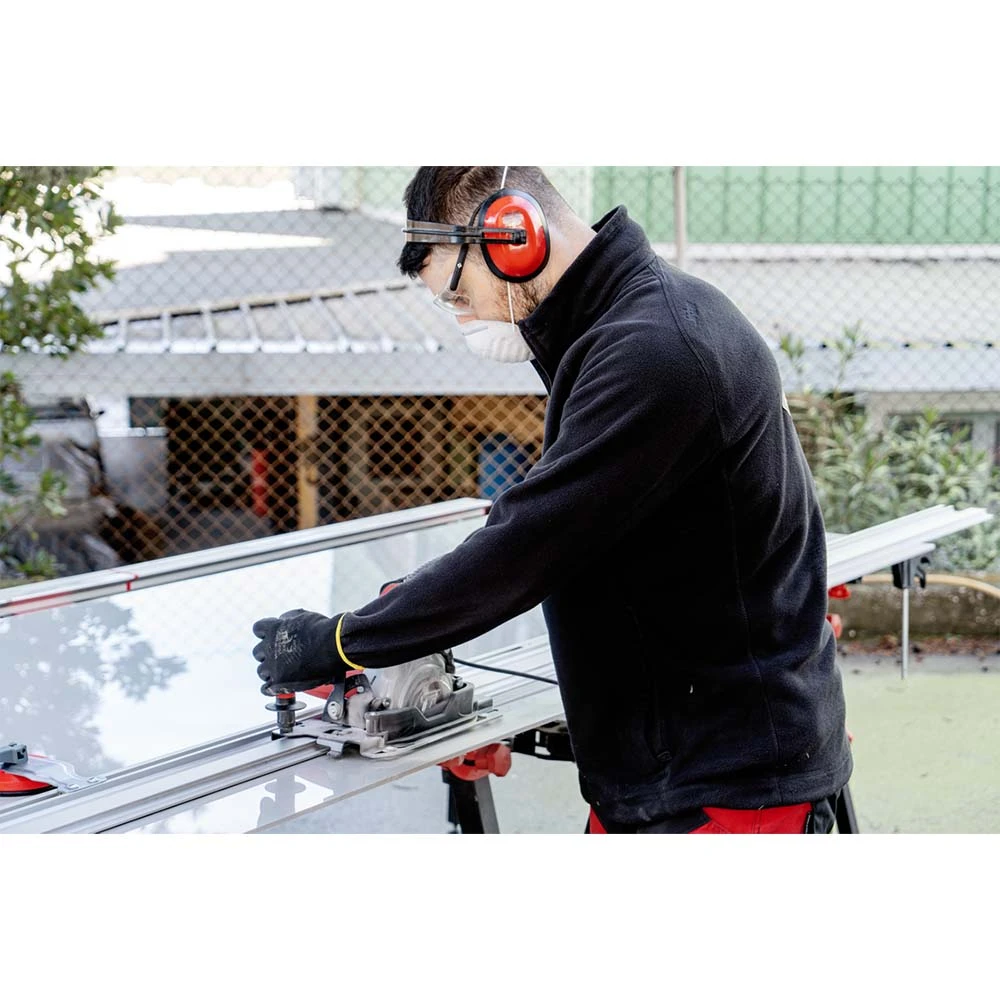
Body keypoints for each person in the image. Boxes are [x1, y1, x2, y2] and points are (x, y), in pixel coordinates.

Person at [253, 166, 853, 834]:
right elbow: (607, 543)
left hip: (725, 787)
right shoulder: (636, 324)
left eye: (458, 291)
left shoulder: (657, 352)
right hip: (678, 763)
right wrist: (422, 621)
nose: (467, 316)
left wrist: (344, 640)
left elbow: (527, 544)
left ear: (515, 235)